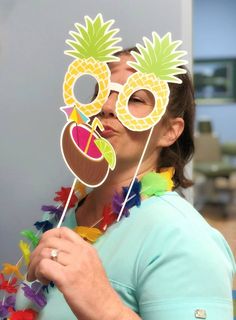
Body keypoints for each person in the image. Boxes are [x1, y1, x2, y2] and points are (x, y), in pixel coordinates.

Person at [15, 50, 235, 320]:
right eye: (101, 92)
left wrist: (105, 308)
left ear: (169, 131)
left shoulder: (183, 237)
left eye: (135, 98)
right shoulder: (59, 217)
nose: (108, 106)